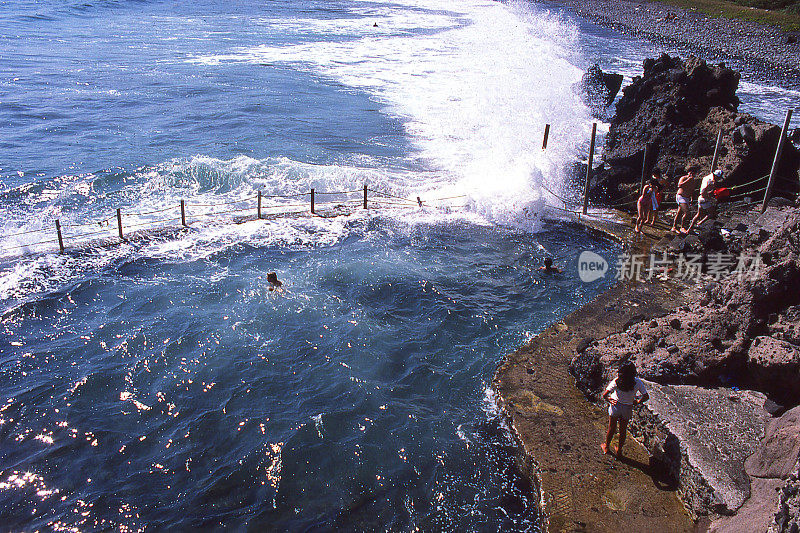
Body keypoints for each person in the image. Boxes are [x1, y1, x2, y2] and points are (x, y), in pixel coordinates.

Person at [601, 361, 649, 458]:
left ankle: (606, 447)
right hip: (627, 407)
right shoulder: (637, 382)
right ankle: (619, 451)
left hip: (616, 406)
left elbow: (604, 395)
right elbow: (646, 396)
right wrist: (637, 402)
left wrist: (609, 399)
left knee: (611, 428)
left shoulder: (617, 381)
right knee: (623, 430)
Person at [683, 169, 723, 234]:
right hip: (704, 199)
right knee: (712, 213)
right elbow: (703, 191)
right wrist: (710, 198)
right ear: (716, 176)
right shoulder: (710, 181)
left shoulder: (707, 177)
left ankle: (690, 229)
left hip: (700, 198)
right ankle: (700, 223)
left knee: (699, 214)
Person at [670, 164, 700, 233]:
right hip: (680, 196)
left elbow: (692, 190)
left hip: (686, 198)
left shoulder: (694, 181)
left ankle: (674, 227)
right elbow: (679, 185)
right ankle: (682, 227)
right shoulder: (684, 178)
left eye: (693, 173)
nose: (691, 174)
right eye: (690, 172)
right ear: (688, 172)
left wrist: (692, 198)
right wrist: (688, 179)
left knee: (679, 212)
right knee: (687, 212)